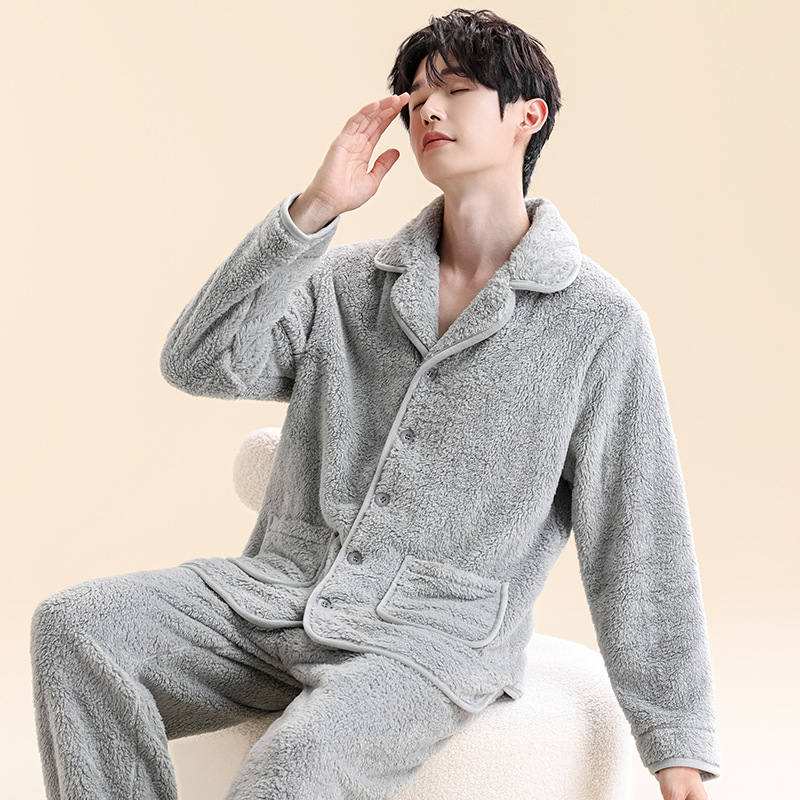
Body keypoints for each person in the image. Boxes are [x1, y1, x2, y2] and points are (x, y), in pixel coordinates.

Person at [30, 8, 722, 800]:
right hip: (279, 595)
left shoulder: (597, 323)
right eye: (416, 95)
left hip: (431, 639)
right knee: (76, 627)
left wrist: (676, 748)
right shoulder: (347, 282)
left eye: (456, 90)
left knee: (293, 772)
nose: (428, 110)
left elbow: (639, 534)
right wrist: (313, 211)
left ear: (528, 117)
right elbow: (200, 360)